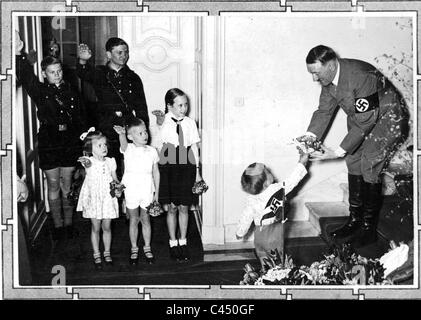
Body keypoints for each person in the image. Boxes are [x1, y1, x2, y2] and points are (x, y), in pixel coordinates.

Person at [297, 45, 409, 247]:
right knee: (353, 159)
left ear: (330, 65)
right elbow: (324, 111)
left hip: (388, 119)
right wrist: (308, 138)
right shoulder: (329, 79)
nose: (314, 78)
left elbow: (367, 122)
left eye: (316, 73)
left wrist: (337, 151)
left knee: (369, 163)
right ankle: (355, 220)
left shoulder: (361, 76)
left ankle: (368, 229)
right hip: (363, 120)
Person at [15, 31, 86, 242]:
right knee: (53, 184)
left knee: (67, 185)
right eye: (52, 72)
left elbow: (81, 117)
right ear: (45, 74)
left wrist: (83, 138)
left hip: (69, 140)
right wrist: (19, 54)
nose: (57, 74)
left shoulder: (72, 91)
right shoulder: (40, 91)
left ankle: (69, 223)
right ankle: (57, 226)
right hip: (50, 140)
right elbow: (26, 76)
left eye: (59, 71)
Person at [77, 38, 149, 178]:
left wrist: (142, 131)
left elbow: (141, 107)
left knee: (131, 164)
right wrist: (83, 61)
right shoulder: (99, 73)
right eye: (119, 52)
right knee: (108, 165)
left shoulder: (133, 78)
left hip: (128, 126)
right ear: (109, 55)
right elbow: (82, 72)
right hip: (106, 125)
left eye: (126, 52)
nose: (124, 56)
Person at [236, 154, 309, 270]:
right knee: (278, 260)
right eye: (268, 172)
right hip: (275, 231)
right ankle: (278, 277)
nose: (271, 172)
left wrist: (240, 232)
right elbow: (292, 181)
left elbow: (246, 217)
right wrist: (302, 162)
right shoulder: (277, 189)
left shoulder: (251, 199)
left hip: (260, 234)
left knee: (263, 257)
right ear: (266, 183)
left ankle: (265, 274)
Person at [157, 88, 202, 262]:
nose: (183, 108)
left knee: (184, 206)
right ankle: (172, 242)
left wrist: (197, 172)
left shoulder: (190, 123)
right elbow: (159, 145)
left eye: (186, 105)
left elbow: (194, 148)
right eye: (179, 105)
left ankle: (183, 241)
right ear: (169, 106)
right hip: (169, 166)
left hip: (186, 166)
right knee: (172, 207)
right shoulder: (164, 121)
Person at [113, 117, 160, 265]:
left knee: (146, 219)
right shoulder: (128, 149)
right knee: (133, 219)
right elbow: (123, 143)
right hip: (132, 189)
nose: (145, 135)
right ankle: (134, 247)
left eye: (145, 131)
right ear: (130, 137)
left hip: (147, 189)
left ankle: (147, 247)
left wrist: (156, 193)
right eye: (140, 133)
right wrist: (121, 134)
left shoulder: (152, 151)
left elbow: (156, 172)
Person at [76, 129, 121, 269]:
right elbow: (86, 163)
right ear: (91, 149)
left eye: (105, 144)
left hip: (107, 197)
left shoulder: (111, 162)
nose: (104, 148)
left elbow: (115, 179)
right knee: (95, 227)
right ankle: (96, 253)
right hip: (94, 198)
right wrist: (85, 157)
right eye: (99, 145)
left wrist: (118, 188)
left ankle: (107, 252)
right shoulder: (89, 161)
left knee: (107, 227)